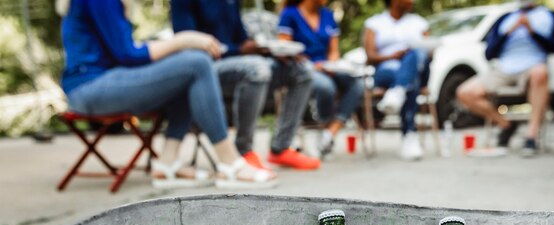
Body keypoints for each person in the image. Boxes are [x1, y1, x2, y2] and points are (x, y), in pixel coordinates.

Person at [59, 0, 276, 189]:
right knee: (197, 62)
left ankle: (167, 162)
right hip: (92, 86)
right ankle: (229, 163)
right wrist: (185, 40)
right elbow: (127, 54)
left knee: (184, 72)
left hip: (101, 83)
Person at [171, 0, 321, 171]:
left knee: (302, 71)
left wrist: (267, 49)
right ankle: (243, 152)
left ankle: (281, 148)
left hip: (239, 62)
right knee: (257, 69)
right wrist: (238, 50)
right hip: (205, 68)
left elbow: (241, 39)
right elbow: (186, 45)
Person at [456, 1, 554, 158]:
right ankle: (506, 125)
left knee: (541, 73)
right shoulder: (506, 18)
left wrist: (532, 31)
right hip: (504, 68)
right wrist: (509, 31)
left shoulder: (550, 16)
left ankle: (531, 137)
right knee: (464, 92)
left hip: (533, 65)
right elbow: (489, 53)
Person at [278, 0, 365, 159]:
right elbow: (285, 50)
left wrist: (331, 64)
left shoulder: (328, 15)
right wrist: (312, 65)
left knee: (358, 83)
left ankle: (328, 134)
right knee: (327, 87)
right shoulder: (290, 14)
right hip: (302, 68)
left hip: (327, 66)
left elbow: (334, 50)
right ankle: (322, 129)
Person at [363, 0, 430, 161]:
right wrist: (392, 56)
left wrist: (410, 56)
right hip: (386, 70)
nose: (412, 1)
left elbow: (429, 52)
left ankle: (397, 91)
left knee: (415, 55)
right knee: (410, 80)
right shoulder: (374, 23)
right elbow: (370, 56)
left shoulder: (419, 23)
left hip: (420, 70)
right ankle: (409, 135)